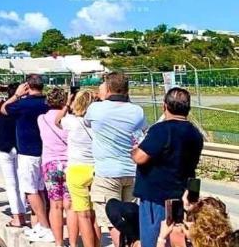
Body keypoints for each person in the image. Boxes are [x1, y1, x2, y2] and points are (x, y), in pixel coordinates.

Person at [132, 87, 204, 247]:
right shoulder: (195, 134)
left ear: (165, 106)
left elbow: (140, 157)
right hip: (182, 195)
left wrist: (134, 149)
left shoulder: (161, 130)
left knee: (153, 239)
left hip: (156, 197)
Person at [85, 72, 147, 247]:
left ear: (108, 88)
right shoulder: (137, 111)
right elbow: (142, 130)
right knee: (131, 216)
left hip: (107, 172)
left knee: (113, 219)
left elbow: (88, 122)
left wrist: (102, 97)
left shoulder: (96, 109)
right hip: (132, 171)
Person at [2, 74, 51, 243]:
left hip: (28, 152)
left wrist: (16, 95)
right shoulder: (47, 103)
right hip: (44, 150)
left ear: (27, 86)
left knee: (30, 190)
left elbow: (4, 109)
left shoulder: (22, 104)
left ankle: (45, 226)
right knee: (40, 189)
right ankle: (42, 225)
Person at [60, 89, 100, 247]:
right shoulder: (98, 124)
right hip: (96, 169)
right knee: (95, 214)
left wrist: (67, 104)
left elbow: (57, 120)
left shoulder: (71, 121)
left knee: (83, 215)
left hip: (77, 169)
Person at [39, 87, 71, 247]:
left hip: (50, 164)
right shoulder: (69, 120)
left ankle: (59, 242)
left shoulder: (41, 119)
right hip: (69, 164)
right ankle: (73, 241)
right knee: (70, 205)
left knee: (55, 205)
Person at [0, 81, 28, 228]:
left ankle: (16, 217)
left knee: (11, 184)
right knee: (22, 183)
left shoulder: (4, 107)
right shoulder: (24, 108)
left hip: (5, 147)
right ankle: (23, 214)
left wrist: (15, 95)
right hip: (21, 147)